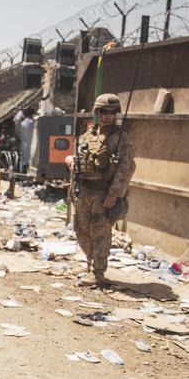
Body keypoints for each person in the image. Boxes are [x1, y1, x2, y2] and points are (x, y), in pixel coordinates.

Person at [66, 93, 136, 287]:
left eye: (113, 112)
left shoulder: (120, 137)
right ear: (97, 112)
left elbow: (127, 167)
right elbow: (77, 158)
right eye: (104, 111)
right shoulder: (87, 135)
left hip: (103, 191)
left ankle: (99, 273)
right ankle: (89, 264)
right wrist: (70, 161)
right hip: (84, 189)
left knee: (100, 231)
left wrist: (114, 193)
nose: (109, 115)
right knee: (81, 229)